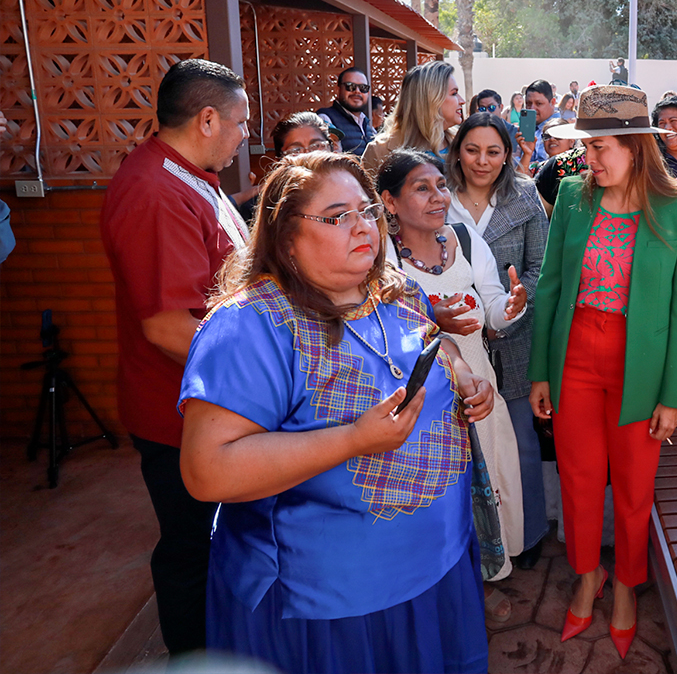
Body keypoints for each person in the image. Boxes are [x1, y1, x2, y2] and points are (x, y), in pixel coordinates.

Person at [178, 152, 493, 674]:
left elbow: (435, 347)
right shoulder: (250, 326)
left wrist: (462, 377)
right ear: (285, 237)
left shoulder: (396, 291)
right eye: (336, 216)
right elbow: (207, 471)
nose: (362, 226)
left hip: (438, 561)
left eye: (367, 210)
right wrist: (352, 440)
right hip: (331, 603)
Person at [528, 85, 677, 658]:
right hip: (575, 351)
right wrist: (540, 372)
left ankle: (626, 584)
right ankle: (587, 576)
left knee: (633, 486)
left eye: (600, 147)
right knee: (579, 478)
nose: (590, 160)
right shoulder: (575, 198)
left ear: (634, 146)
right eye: (587, 148)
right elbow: (551, 287)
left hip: (642, 363)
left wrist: (674, 394)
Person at [100, 58, 250, 656]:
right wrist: (271, 367)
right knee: (194, 550)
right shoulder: (155, 191)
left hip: (211, 405)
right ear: (207, 118)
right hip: (179, 416)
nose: (244, 136)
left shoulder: (189, 176)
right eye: (239, 123)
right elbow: (167, 327)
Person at [377, 150, 529, 618]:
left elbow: (493, 308)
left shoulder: (463, 238)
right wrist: (429, 318)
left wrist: (513, 306)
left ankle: (481, 581)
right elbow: (383, 325)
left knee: (484, 489)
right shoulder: (380, 255)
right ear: (389, 201)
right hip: (422, 401)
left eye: (441, 185)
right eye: (422, 188)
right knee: (441, 497)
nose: (439, 196)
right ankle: (445, 592)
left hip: (478, 386)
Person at [445, 112, 551, 572]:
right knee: (459, 443)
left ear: (508, 154)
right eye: (472, 150)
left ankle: (526, 537)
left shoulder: (525, 196)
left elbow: (539, 269)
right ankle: (469, 544)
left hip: (513, 338)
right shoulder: (437, 195)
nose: (482, 161)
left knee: (519, 443)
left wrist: (508, 311)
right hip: (451, 341)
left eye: (493, 151)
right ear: (457, 152)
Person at [362, 61, 463, 176]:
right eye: (454, 93)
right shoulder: (379, 150)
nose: (462, 101)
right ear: (431, 99)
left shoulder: (463, 144)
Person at [315, 67, 375, 157]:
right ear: (337, 90)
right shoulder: (325, 118)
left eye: (363, 88)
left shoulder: (366, 123)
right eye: (350, 86)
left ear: (368, 93)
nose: (357, 91)